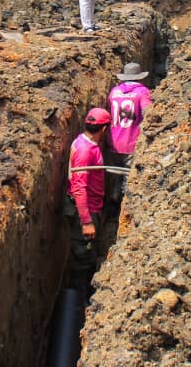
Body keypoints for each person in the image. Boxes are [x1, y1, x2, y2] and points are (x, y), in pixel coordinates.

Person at [66, 107, 110, 284]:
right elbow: (79, 187)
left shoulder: (85, 143)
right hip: (85, 211)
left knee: (88, 253)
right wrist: (86, 222)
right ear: (104, 129)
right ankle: (80, 292)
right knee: (83, 257)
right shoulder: (85, 151)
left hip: (92, 207)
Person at [105, 63, 152, 206]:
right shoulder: (142, 92)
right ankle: (124, 204)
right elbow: (148, 113)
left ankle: (113, 197)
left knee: (114, 173)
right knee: (128, 175)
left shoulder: (114, 91)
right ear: (139, 77)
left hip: (113, 141)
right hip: (132, 143)